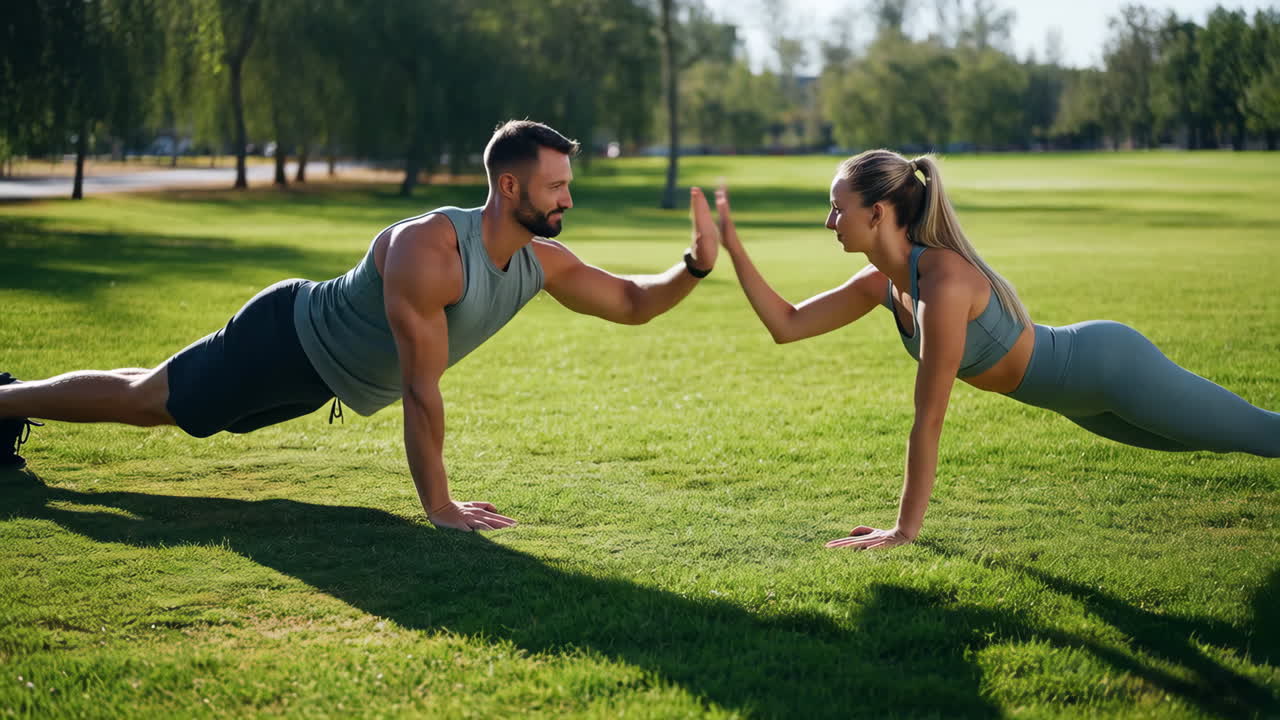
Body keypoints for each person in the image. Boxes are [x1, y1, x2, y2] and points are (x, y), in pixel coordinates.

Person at [0, 120, 723, 532]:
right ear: (510, 186)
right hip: (284, 339)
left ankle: (9, 395)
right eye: (556, 184)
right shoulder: (431, 251)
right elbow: (420, 388)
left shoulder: (544, 261)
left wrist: (691, 266)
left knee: (154, 395)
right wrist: (439, 506)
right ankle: (4, 403)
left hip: (322, 381)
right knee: (150, 404)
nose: (569, 195)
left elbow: (631, 302)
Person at [713, 149, 1280, 551]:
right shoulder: (880, 283)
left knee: (1259, 435)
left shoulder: (944, 281)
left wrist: (903, 531)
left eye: (838, 208)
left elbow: (928, 418)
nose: (829, 220)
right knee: (1218, 442)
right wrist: (732, 248)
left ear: (878, 213)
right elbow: (787, 325)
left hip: (1111, 368)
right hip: (1078, 402)